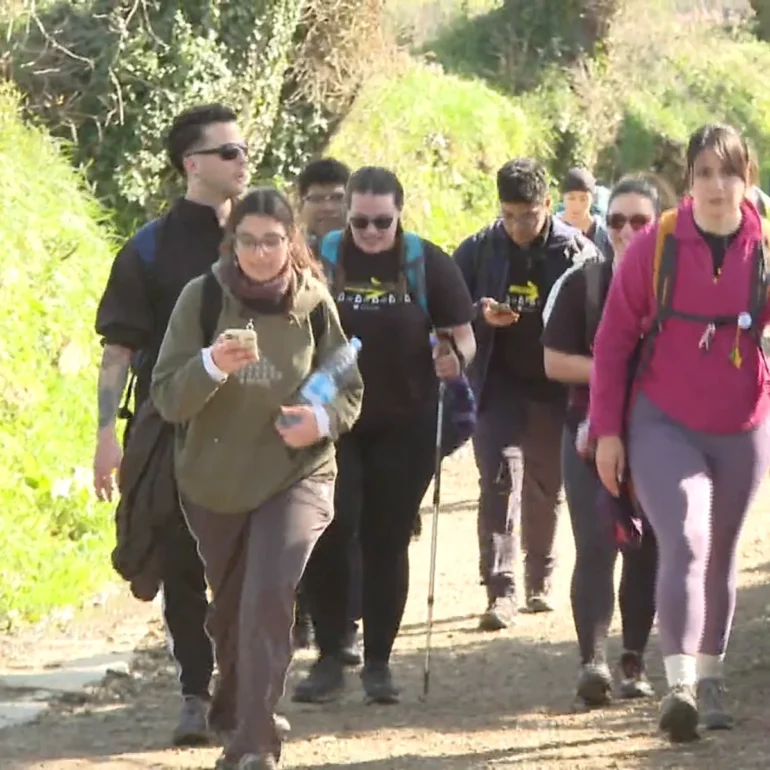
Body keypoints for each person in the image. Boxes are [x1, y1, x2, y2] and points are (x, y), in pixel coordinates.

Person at [152, 187, 364, 770]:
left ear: (291, 243)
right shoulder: (201, 300)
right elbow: (168, 397)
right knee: (232, 612)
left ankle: (252, 746)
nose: (261, 252)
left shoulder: (314, 303)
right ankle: (238, 709)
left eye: (273, 240)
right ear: (233, 243)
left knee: (269, 597)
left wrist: (317, 420)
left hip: (298, 474)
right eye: (248, 241)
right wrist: (211, 365)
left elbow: (346, 385)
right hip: (214, 481)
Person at [590, 124, 770, 742]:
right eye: (703, 174)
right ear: (688, 182)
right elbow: (613, 342)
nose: (717, 187)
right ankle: (680, 686)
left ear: (748, 178)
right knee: (687, 540)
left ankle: (712, 676)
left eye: (729, 173)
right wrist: (608, 432)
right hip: (662, 419)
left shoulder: (765, 245)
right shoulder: (657, 245)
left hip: (743, 423)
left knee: (722, 554)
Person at [93, 103, 249, 745]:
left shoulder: (264, 236)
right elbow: (117, 353)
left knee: (252, 565)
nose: (244, 161)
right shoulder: (148, 248)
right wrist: (106, 434)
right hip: (172, 426)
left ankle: (245, 689)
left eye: (243, 150)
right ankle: (194, 691)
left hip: (255, 426)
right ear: (192, 165)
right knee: (182, 560)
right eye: (229, 153)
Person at [292, 166, 476, 704]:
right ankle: (330, 656)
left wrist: (453, 358)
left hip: (406, 422)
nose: (371, 233)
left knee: (386, 539)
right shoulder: (319, 256)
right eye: (360, 222)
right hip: (332, 424)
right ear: (345, 214)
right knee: (330, 529)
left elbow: (463, 335)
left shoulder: (426, 262)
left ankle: (378, 663)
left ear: (400, 213)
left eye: (381, 222)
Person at [454, 158, 601, 630]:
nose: (518, 225)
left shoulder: (577, 252)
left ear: (547, 205)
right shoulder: (478, 250)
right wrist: (479, 312)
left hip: (556, 388)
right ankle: (501, 589)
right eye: (509, 215)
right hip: (498, 383)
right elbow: (450, 308)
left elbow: (597, 319)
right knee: (498, 479)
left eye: (529, 215)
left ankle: (540, 576)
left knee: (545, 484)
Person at [542, 176, 669, 708]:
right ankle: (591, 663)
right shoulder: (582, 282)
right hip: (588, 432)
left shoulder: (677, 287)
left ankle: (633, 661)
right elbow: (552, 362)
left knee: (649, 550)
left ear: (660, 226)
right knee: (595, 545)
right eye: (615, 220)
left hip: (662, 434)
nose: (625, 231)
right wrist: (614, 369)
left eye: (640, 221)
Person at [292, 157, 363, 666]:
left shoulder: (371, 251)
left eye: (337, 196)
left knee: (349, 523)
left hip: (355, 408)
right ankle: (304, 618)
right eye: (316, 197)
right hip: (297, 407)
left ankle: (344, 628)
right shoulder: (286, 254)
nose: (327, 206)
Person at [557, 167, 613, 258]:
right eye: (571, 198)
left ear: (592, 199)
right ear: (563, 197)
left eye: (583, 199)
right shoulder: (553, 230)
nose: (577, 205)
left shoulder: (604, 236)